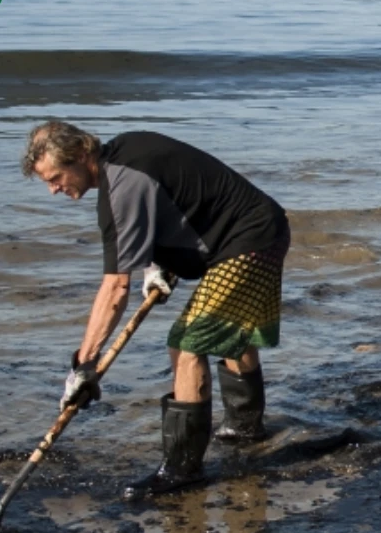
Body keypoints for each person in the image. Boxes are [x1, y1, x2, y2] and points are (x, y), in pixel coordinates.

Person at [21, 121, 290, 498]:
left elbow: (115, 288)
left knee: (187, 343)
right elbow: (171, 202)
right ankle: (244, 430)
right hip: (259, 228)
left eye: (55, 177)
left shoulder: (120, 185)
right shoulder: (128, 152)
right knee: (230, 329)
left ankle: (182, 469)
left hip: (249, 239)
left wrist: (85, 364)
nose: (53, 189)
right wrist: (156, 264)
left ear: (81, 154)